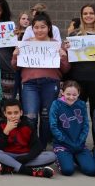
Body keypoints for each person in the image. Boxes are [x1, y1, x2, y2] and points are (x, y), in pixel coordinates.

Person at [12, 13, 70, 147]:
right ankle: (32, 144)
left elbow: (65, 69)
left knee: (46, 117)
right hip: (29, 84)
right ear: (32, 29)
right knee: (30, 116)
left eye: (42, 27)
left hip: (50, 84)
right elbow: (15, 66)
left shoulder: (56, 44)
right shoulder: (25, 44)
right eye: (36, 27)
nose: (39, 30)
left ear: (49, 28)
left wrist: (63, 57)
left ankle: (42, 145)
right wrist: (15, 56)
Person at [0, 100, 56, 178]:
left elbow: (37, 146)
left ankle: (9, 167)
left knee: (51, 156)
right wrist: (6, 131)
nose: (13, 116)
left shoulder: (28, 125)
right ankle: (30, 171)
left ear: (21, 113)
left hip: (25, 155)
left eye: (16, 113)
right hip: (8, 155)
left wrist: (27, 157)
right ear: (5, 114)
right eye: (9, 113)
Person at [67, 3, 95, 122]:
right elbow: (71, 59)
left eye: (91, 13)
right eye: (85, 13)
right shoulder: (75, 34)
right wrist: (67, 47)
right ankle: (76, 140)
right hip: (78, 78)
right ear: (81, 16)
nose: (88, 16)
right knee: (77, 112)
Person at [49, 81, 95, 176]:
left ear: (79, 93)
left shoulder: (81, 104)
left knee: (91, 171)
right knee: (68, 170)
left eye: (74, 94)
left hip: (79, 144)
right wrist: (64, 140)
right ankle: (63, 157)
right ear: (62, 92)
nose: (71, 97)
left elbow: (85, 125)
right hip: (63, 145)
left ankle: (75, 157)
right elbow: (53, 126)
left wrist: (81, 140)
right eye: (68, 94)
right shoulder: (56, 104)